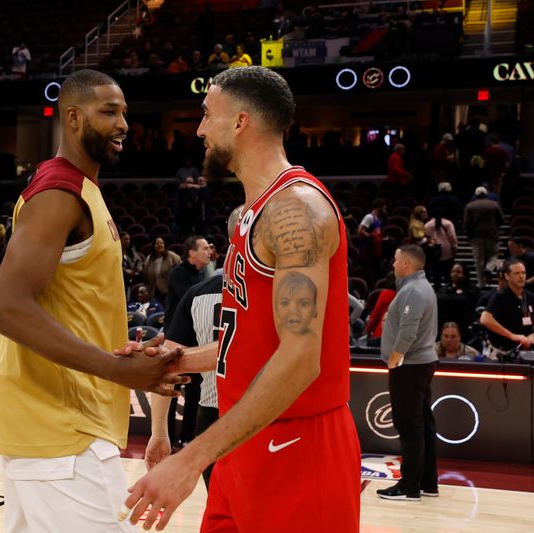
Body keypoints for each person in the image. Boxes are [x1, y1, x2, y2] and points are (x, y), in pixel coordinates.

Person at [123, 66, 360, 532]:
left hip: (297, 443)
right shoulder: (251, 215)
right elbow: (255, 343)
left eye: (207, 114)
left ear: (240, 122)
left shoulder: (296, 210)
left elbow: (299, 359)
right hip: (242, 439)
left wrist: (193, 458)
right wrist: (179, 359)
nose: (199, 129)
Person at [0, 69, 186, 532]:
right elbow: (9, 307)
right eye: (109, 112)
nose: (123, 124)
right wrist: (116, 370)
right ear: (73, 118)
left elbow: (74, 311)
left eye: (125, 114)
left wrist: (129, 356)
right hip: (60, 431)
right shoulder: (59, 191)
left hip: (61, 430)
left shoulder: (83, 190)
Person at [146, 205, 243, 489]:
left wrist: (159, 431)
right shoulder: (277, 291)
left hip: (210, 419)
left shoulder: (198, 293)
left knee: (221, 509)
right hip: (259, 416)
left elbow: (167, 363)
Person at [377, 244, 439, 501]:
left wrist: (393, 360)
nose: (392, 264)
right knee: (423, 423)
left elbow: (407, 333)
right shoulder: (422, 287)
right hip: (420, 363)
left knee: (409, 426)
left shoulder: (413, 290)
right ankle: (428, 482)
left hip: (410, 365)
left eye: (395, 260)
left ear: (406, 264)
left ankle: (409, 486)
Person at [163, 235, 212, 448]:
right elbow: (191, 300)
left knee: (195, 394)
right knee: (171, 395)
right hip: (176, 342)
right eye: (204, 248)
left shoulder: (204, 275)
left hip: (196, 343)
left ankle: (187, 439)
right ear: (192, 253)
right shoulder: (178, 274)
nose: (209, 251)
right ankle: (168, 437)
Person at [480, 259, 534, 357]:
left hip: (525, 351)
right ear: (507, 276)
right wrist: (512, 336)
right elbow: (485, 319)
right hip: (502, 352)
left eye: (523, 273)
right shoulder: (500, 296)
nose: (521, 276)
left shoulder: (533, 298)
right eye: (517, 273)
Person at [464, 186, 503, 288]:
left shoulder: (470, 206)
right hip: (492, 235)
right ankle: (489, 268)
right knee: (494, 255)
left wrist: (469, 236)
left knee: (478, 260)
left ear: (475, 195)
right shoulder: (494, 204)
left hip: (476, 236)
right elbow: (501, 220)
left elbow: (467, 223)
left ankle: (481, 283)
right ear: (486, 194)